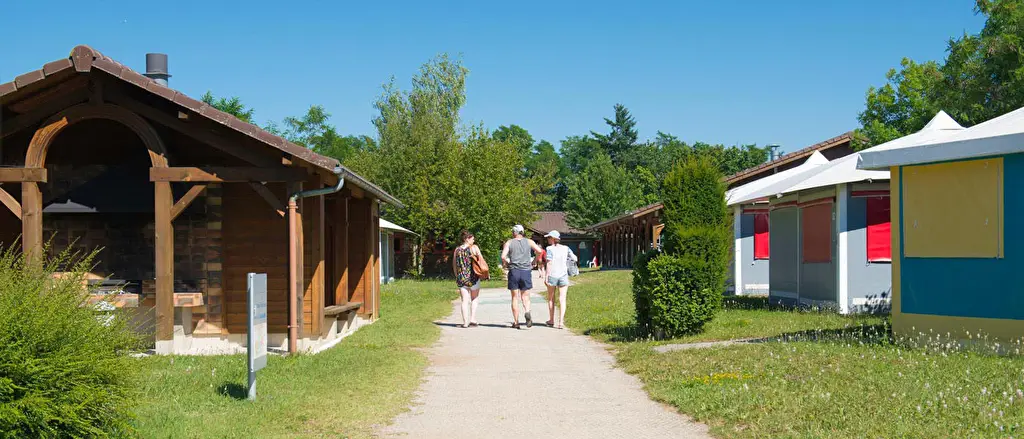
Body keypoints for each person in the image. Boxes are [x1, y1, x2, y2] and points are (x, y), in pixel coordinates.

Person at [501, 224, 544, 329]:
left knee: (514, 297)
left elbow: (503, 256)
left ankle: (516, 322)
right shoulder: (529, 241)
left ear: (514, 232)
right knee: (525, 296)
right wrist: (535, 260)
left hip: (514, 271)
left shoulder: (509, 242)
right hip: (526, 271)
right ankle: (527, 311)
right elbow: (539, 251)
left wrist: (507, 263)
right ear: (522, 232)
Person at [543, 230, 577, 329]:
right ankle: (561, 322)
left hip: (552, 275)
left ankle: (551, 320)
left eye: (549, 237)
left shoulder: (549, 249)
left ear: (553, 239)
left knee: (551, 298)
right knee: (562, 299)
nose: (548, 239)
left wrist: (546, 276)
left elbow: (549, 263)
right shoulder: (566, 248)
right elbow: (575, 258)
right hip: (563, 275)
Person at [452, 230, 482, 328]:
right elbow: (481, 261)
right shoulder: (474, 248)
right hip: (473, 277)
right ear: (467, 239)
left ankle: (465, 323)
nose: (474, 241)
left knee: (464, 300)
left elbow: (454, 264)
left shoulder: (457, 250)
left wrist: (457, 275)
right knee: (474, 298)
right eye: (472, 239)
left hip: (462, 278)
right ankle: (472, 319)